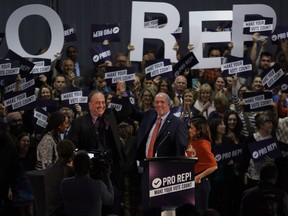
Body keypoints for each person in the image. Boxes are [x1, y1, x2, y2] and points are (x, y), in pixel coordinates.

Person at [67, 90, 124, 215]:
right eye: (98, 103)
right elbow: (72, 145)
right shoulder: (79, 122)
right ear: (89, 105)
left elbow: (128, 112)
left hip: (111, 172)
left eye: (103, 102)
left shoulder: (110, 116)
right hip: (90, 174)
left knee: (112, 207)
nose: (101, 105)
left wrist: (121, 95)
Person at [135, 92, 188, 160]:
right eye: (157, 102)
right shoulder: (151, 116)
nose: (159, 105)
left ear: (169, 104)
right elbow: (134, 114)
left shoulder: (178, 123)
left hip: (166, 167)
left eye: (162, 102)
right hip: (146, 164)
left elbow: (181, 148)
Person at [60, 150, 114, 216]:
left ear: (73, 165)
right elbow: (110, 201)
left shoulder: (64, 184)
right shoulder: (98, 185)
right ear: (90, 166)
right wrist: (108, 178)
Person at [186, 116, 217, 214]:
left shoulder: (203, 144)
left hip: (200, 184)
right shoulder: (190, 141)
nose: (189, 130)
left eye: (191, 128)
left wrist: (199, 176)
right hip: (190, 181)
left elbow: (214, 165)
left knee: (200, 212)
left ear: (198, 131)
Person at [44, 139, 75, 216]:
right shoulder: (72, 173)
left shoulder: (48, 171)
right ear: (72, 155)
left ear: (58, 153)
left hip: (50, 213)